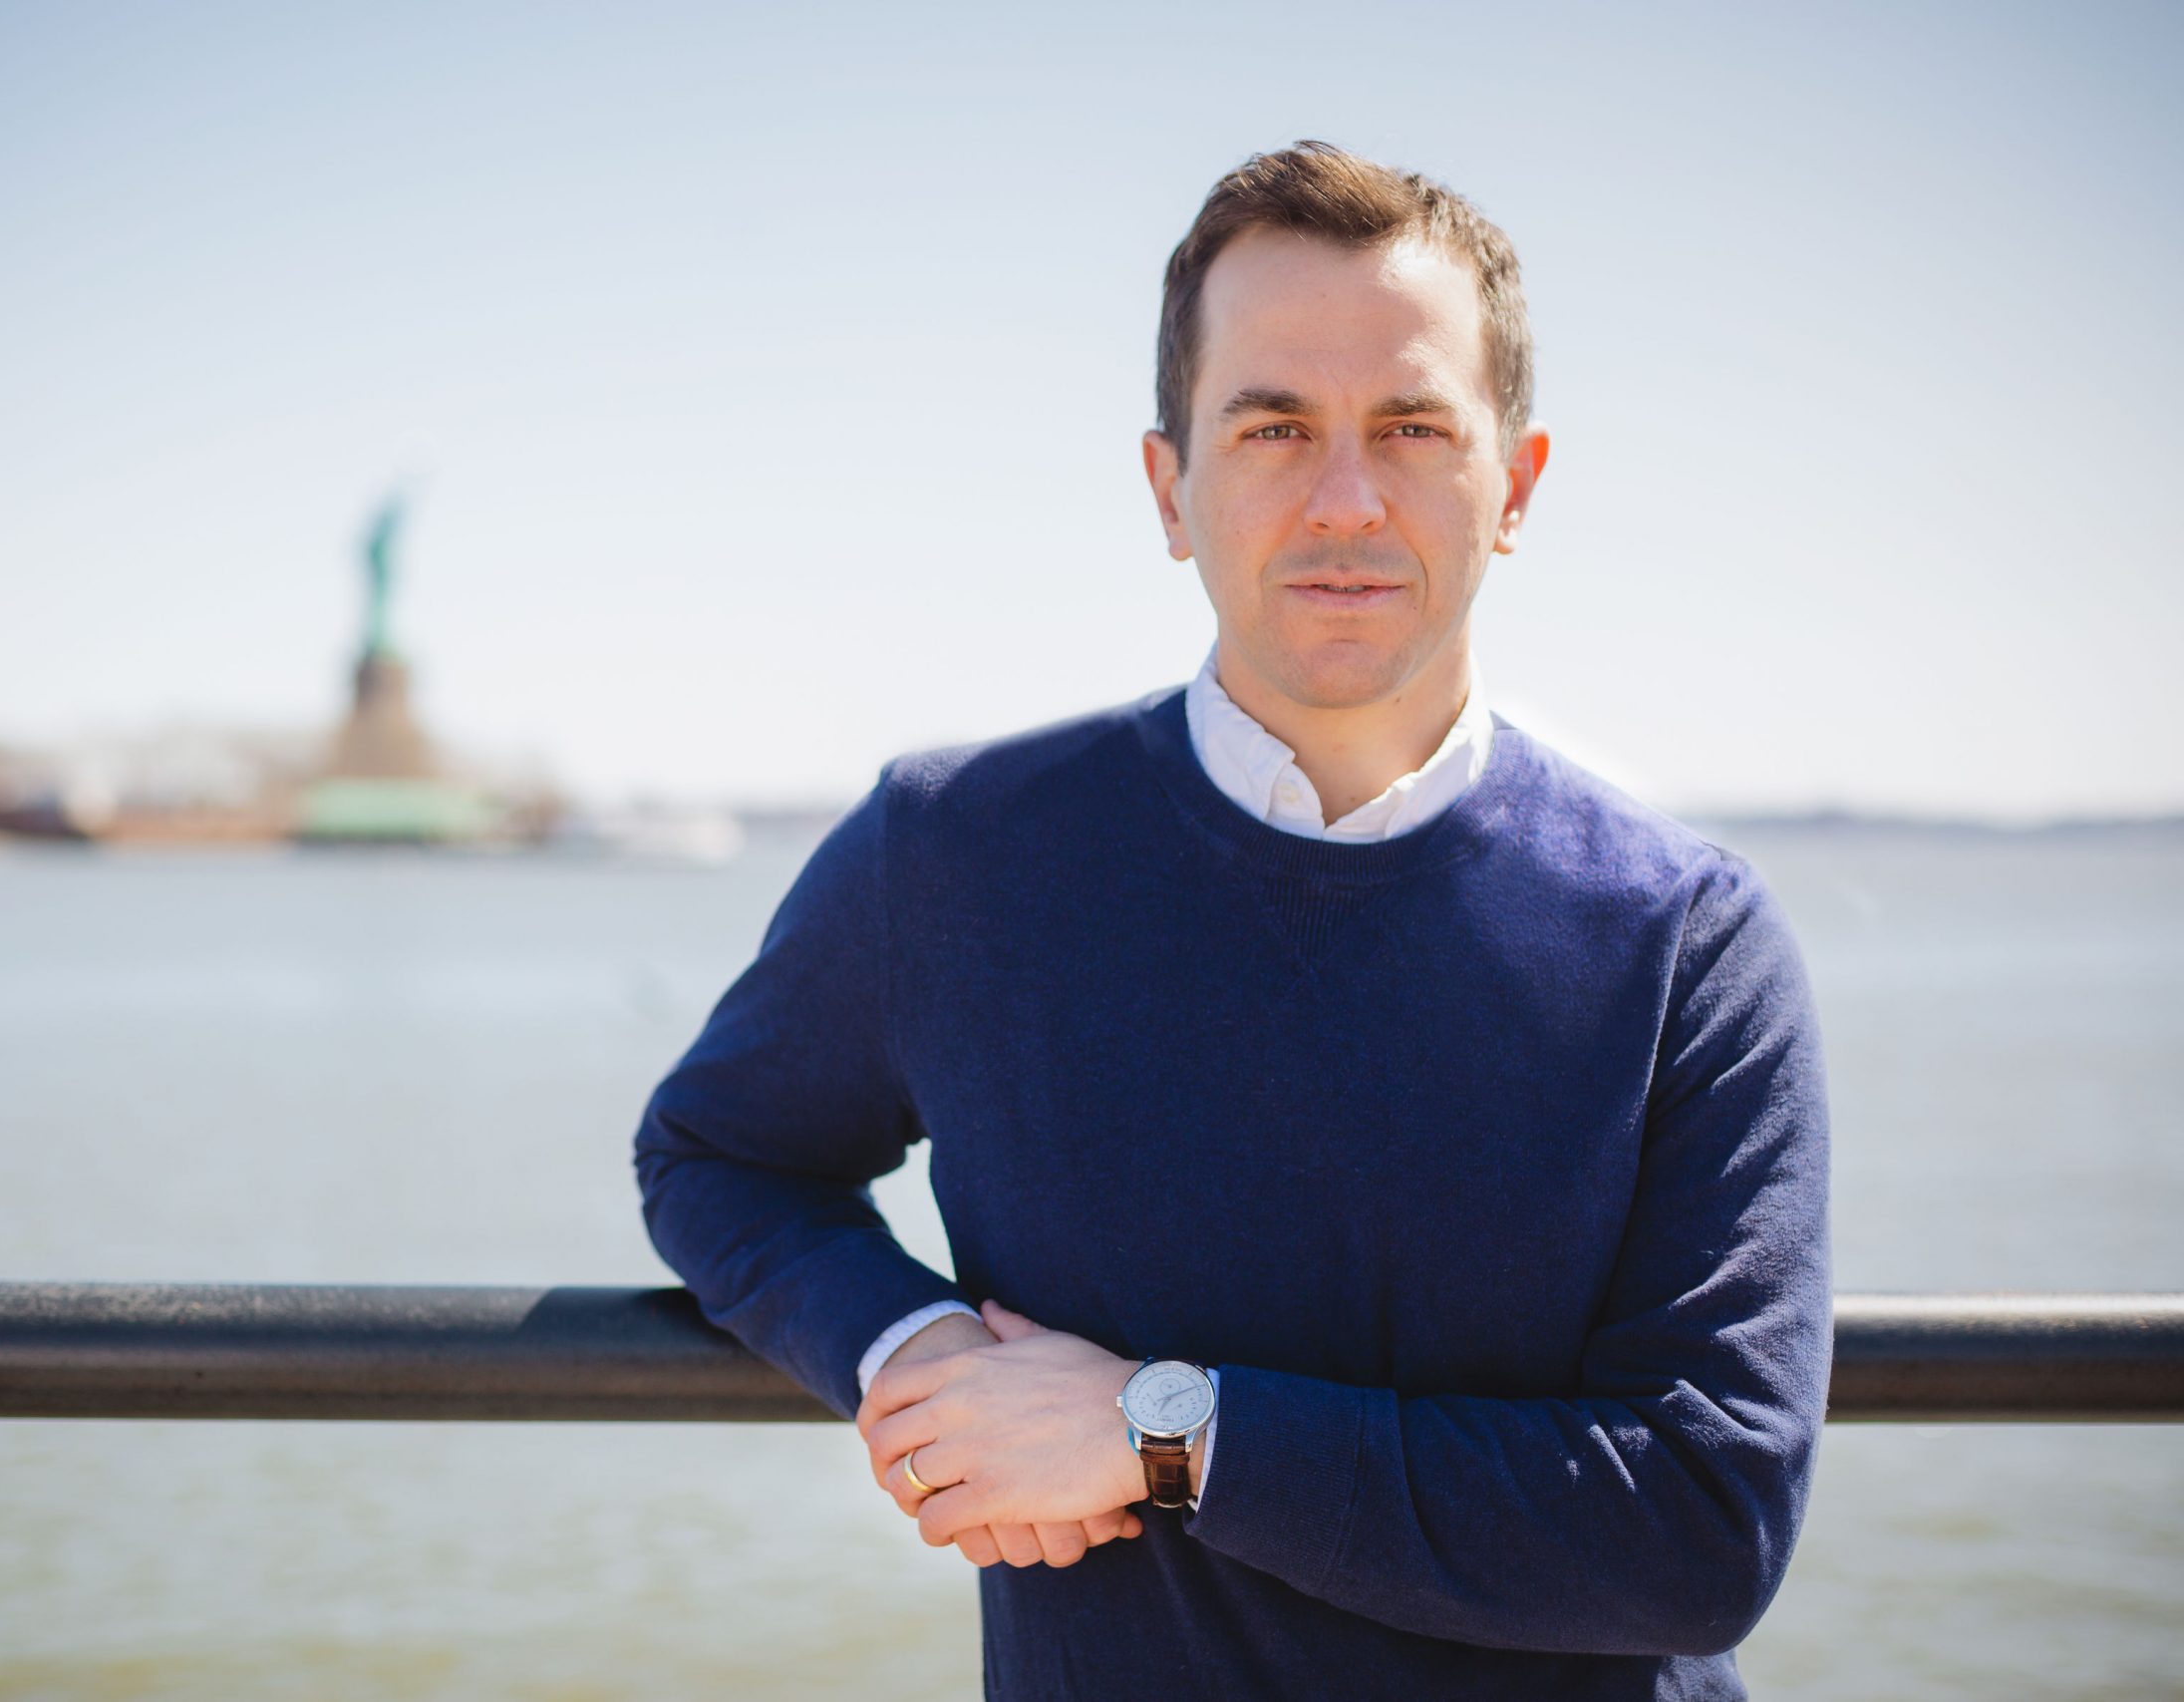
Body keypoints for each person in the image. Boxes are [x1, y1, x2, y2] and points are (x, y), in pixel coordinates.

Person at [634, 141, 1830, 1701]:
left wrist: (1164, 1435)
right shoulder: (960, 854)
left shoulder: (1684, 941)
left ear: (1514, 485)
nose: (1345, 499)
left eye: (1411, 427)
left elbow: (1701, 1528)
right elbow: (721, 1155)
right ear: (1169, 487)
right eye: (1274, 427)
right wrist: (907, 1351)